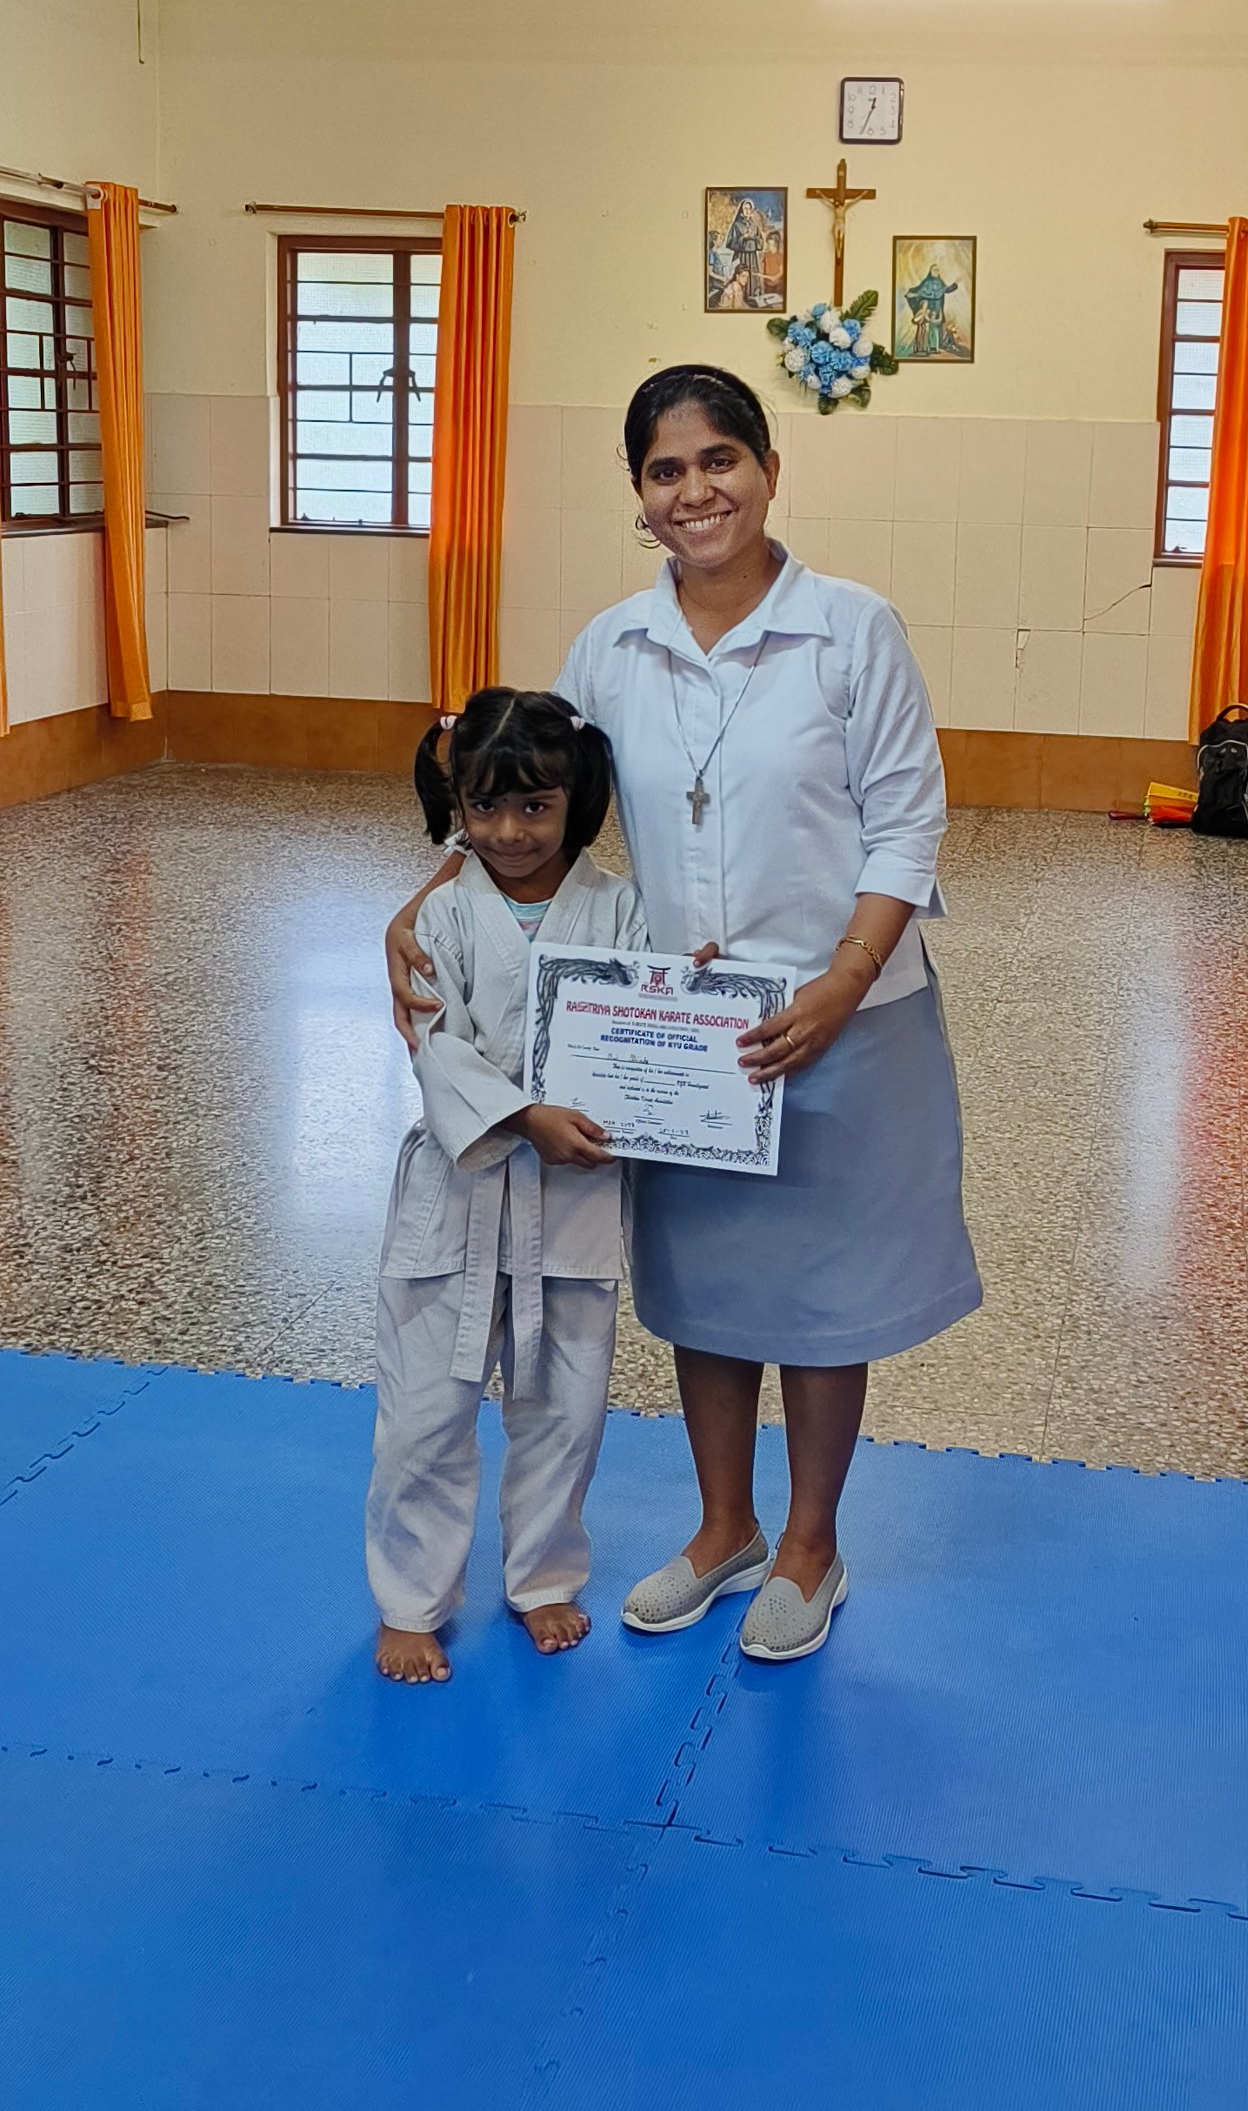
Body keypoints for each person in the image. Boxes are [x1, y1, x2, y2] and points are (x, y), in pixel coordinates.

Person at [387, 361, 981, 1665]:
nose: (695, 490)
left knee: (824, 1295)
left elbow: (906, 823)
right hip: (677, 1031)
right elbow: (524, 801)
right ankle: (726, 1530)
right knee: (706, 1290)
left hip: (842, 1013)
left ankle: (811, 1546)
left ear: (767, 468)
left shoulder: (852, 629)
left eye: (720, 459)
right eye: (666, 470)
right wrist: (419, 904)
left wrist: (840, 980)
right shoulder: (610, 646)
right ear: (639, 492)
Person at [368, 686, 645, 1684]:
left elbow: (648, 1029)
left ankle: (543, 1576)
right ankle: (411, 1600)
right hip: (458, 1191)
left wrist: (686, 1003)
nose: (509, 831)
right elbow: (431, 1044)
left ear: (579, 798)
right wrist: (523, 1116)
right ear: (456, 804)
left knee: (566, 1412)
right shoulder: (440, 915)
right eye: (484, 806)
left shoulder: (621, 908)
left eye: (535, 806)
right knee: (422, 1416)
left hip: (574, 1196)